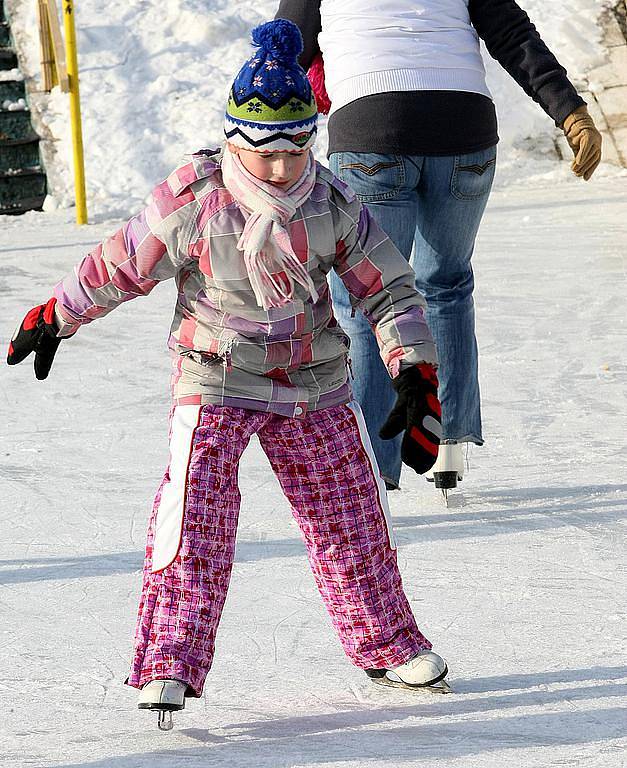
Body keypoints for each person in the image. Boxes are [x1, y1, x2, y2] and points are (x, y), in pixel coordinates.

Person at [7, 20, 451, 729]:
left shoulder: (331, 201)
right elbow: (121, 262)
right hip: (214, 374)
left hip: (311, 378)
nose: (281, 166)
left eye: (296, 147)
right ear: (235, 140)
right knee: (195, 519)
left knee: (353, 518)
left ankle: (386, 643)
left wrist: (412, 370)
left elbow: (388, 287)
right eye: (264, 150)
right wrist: (55, 314)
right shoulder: (196, 194)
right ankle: (168, 663)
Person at [276, 0, 603, 492]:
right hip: (464, 129)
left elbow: (285, 50)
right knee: (445, 286)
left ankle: (373, 469)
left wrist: (251, 150)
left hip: (372, 128)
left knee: (369, 299)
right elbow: (512, 33)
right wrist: (569, 111)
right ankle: (448, 444)